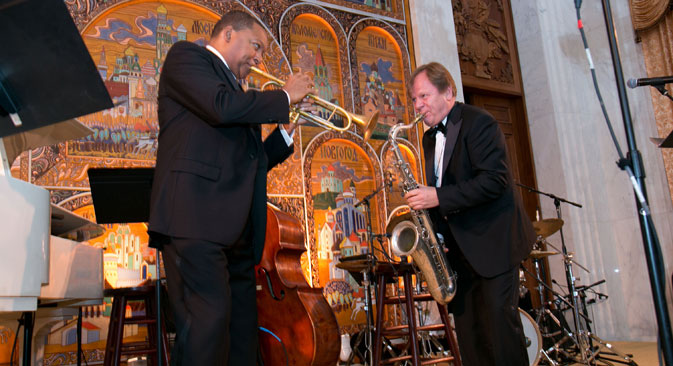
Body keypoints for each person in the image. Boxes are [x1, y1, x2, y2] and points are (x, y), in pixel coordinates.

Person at [147, 10, 314, 366]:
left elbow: (250, 164)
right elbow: (221, 108)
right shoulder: (187, 57)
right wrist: (284, 97)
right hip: (195, 222)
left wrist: (284, 134)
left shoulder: (238, 94)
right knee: (206, 331)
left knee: (241, 336)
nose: (258, 58)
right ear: (226, 35)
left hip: (236, 235)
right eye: (256, 46)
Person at [404, 62, 536, 365]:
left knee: (502, 337)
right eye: (414, 99)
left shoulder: (480, 123)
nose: (417, 106)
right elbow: (447, 188)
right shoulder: (428, 137)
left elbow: (494, 181)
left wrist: (435, 196)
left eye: (424, 96)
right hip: (460, 254)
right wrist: (436, 233)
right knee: (471, 339)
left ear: (449, 92)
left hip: (494, 245)